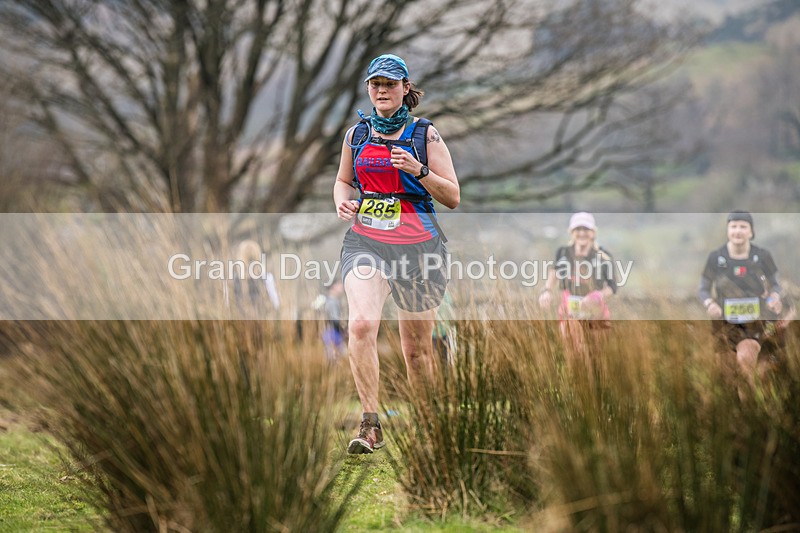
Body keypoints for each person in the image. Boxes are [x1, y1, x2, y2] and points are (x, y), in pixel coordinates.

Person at [333, 53, 460, 454]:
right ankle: (370, 425)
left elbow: (453, 197)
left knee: (416, 351)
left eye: (390, 84)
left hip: (418, 247)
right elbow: (342, 181)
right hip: (366, 242)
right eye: (375, 84)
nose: (382, 90)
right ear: (368, 89)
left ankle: (429, 427)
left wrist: (418, 170)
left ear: (406, 89)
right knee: (361, 325)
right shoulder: (356, 135)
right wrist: (343, 203)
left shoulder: (426, 135)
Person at [698, 211, 786, 385]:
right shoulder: (716, 258)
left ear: (751, 232)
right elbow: (703, 289)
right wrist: (710, 304)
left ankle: (752, 405)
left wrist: (775, 298)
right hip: (724, 323)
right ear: (728, 230)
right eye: (734, 226)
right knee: (728, 376)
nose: (738, 231)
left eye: (743, 227)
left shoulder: (762, 256)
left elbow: (776, 285)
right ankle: (742, 407)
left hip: (754, 322)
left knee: (746, 358)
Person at [538, 212, 617, 352]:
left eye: (586, 229)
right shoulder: (563, 253)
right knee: (573, 353)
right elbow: (555, 271)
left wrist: (597, 296)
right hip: (569, 313)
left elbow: (612, 287)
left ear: (593, 233)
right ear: (571, 232)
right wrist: (547, 291)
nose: (582, 233)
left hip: (596, 313)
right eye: (577, 229)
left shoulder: (604, 257)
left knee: (597, 356)